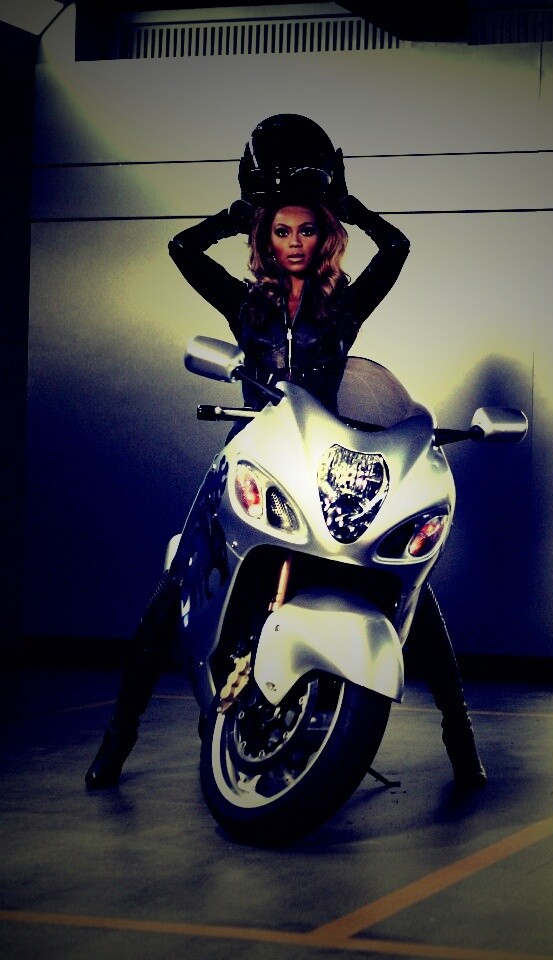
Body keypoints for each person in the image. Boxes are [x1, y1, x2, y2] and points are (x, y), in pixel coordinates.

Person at [85, 122, 486, 792]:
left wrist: (347, 205)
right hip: (253, 450)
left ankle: (460, 738)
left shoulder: (343, 306)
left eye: (306, 230)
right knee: (176, 587)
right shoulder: (246, 305)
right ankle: (117, 740)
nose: (294, 243)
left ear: (324, 236)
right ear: (264, 238)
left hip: (321, 456)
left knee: (405, 584)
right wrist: (240, 213)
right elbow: (182, 247)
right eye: (280, 231)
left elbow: (397, 246)